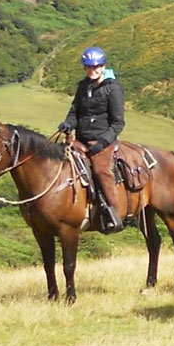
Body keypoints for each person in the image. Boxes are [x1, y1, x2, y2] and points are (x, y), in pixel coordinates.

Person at [58, 46, 125, 234]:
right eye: (88, 67)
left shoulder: (112, 88)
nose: (92, 70)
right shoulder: (83, 86)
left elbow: (118, 123)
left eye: (95, 67)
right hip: (81, 139)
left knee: (100, 170)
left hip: (102, 140)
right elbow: (74, 112)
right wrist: (68, 124)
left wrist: (102, 143)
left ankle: (114, 213)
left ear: (103, 66)